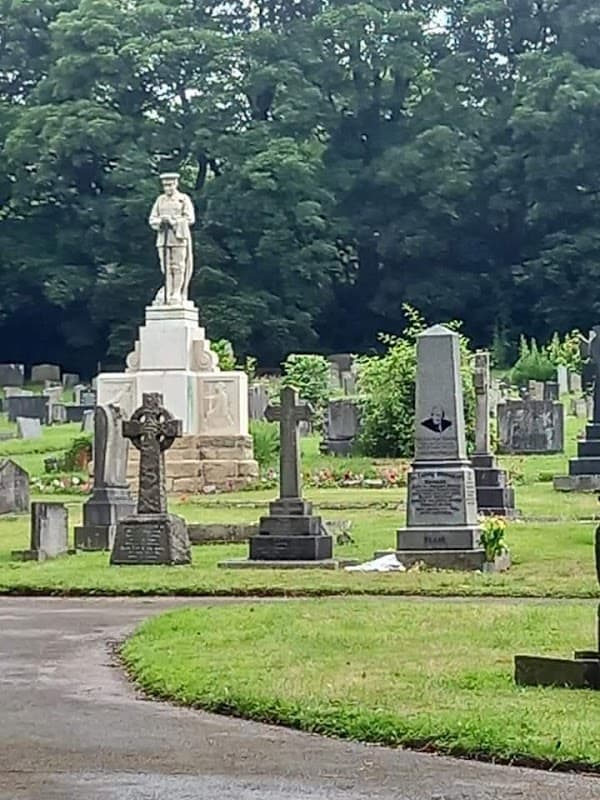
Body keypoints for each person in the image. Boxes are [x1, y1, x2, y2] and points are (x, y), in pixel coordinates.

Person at [148, 172, 195, 305]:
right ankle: (168, 290)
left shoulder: (183, 199)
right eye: (165, 185)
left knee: (178, 266)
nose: (167, 188)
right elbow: (152, 218)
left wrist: (174, 222)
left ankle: (177, 292)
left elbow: (190, 218)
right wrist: (161, 221)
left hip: (178, 238)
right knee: (165, 267)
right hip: (163, 238)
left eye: (170, 185)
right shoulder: (160, 200)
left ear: (176, 184)